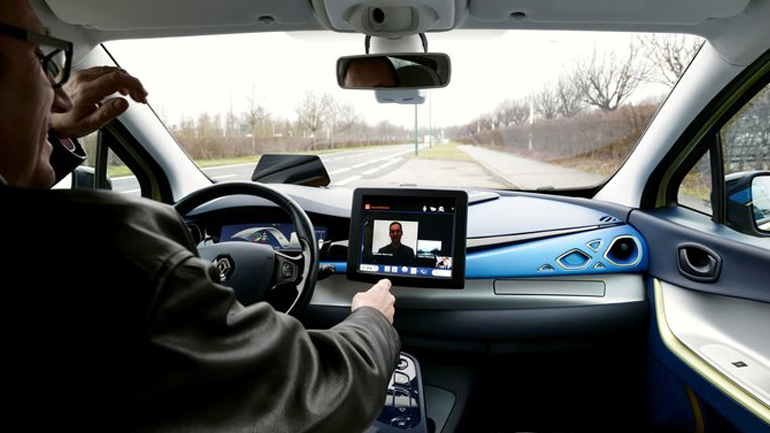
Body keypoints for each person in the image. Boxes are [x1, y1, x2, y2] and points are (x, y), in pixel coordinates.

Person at [0, 1, 399, 432]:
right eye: (43, 60)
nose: (61, 96)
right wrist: (372, 318)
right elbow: (315, 392)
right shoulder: (113, 251)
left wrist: (40, 130)